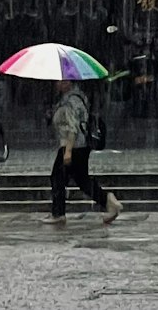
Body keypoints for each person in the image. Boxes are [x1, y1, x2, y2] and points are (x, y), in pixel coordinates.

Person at [49, 79, 123, 226]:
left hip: (72, 146)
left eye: (62, 81)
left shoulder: (70, 101)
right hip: (82, 146)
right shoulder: (79, 96)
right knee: (82, 180)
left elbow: (72, 128)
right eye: (57, 81)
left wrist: (68, 151)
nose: (58, 84)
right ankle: (109, 201)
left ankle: (58, 214)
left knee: (57, 177)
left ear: (69, 82)